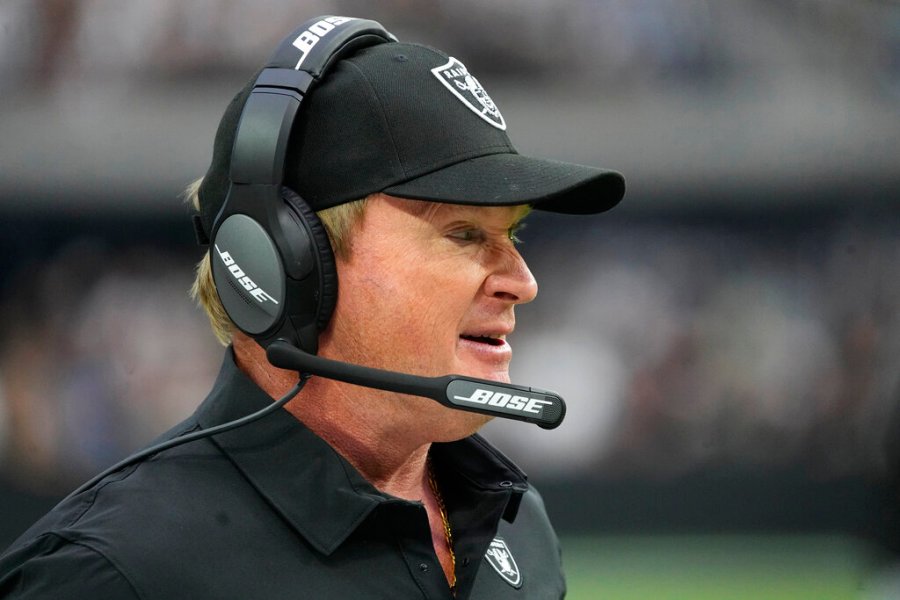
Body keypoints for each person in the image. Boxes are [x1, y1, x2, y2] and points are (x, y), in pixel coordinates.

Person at [0, 15, 623, 599]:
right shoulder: (112, 572)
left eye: (511, 235)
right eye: (463, 233)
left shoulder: (514, 525)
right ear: (287, 265)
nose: (522, 281)